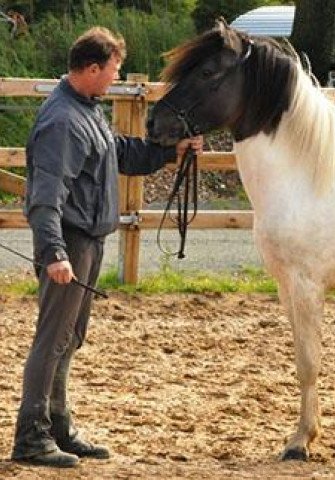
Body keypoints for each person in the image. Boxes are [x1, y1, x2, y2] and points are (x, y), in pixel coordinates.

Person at [11, 26, 203, 468]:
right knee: (52, 339)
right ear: (93, 68)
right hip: (72, 241)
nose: (115, 78)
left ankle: (58, 426)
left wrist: (170, 151)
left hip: (88, 240)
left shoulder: (85, 112)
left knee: (69, 338)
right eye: (113, 70)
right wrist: (55, 252)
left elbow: (120, 153)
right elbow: (45, 196)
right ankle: (31, 437)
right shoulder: (63, 122)